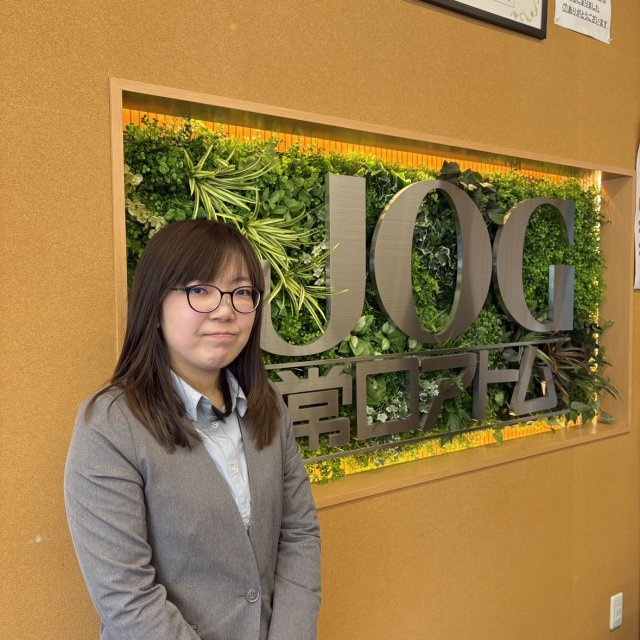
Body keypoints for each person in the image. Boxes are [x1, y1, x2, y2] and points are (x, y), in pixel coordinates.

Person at [64, 219, 321, 640]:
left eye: (242, 292)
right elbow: (127, 597)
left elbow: (299, 535)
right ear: (155, 305)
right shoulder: (110, 426)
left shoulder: (268, 405)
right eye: (200, 289)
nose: (225, 310)